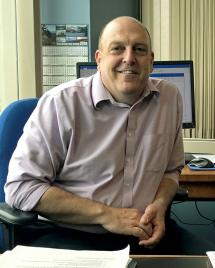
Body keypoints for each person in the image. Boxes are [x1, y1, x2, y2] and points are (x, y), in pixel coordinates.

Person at [5, 16, 185, 254]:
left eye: (139, 50)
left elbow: (171, 171)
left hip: (146, 233)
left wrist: (160, 206)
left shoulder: (169, 99)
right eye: (117, 48)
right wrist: (107, 215)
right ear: (99, 59)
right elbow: (21, 187)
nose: (129, 58)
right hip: (70, 235)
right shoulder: (61, 104)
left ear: (151, 61)